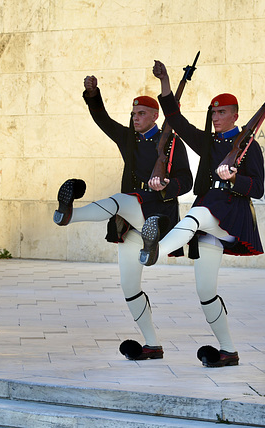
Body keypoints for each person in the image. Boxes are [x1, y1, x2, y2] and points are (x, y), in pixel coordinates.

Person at [54, 75, 193, 361]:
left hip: (156, 216)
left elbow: (187, 181)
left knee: (120, 200)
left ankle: (70, 215)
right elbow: (103, 120)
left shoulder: (171, 144)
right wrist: (92, 94)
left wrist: (167, 185)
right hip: (129, 223)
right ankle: (152, 345)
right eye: (133, 113)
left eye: (141, 113)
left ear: (155, 116)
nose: (135, 118)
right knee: (130, 287)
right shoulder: (128, 139)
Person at [139, 60, 265, 368]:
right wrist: (166, 81)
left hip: (231, 213)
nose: (216, 117)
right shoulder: (207, 144)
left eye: (222, 112)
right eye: (213, 112)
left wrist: (234, 178)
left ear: (235, 115)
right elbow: (175, 119)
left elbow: (258, 189)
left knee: (195, 217)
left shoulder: (249, 147)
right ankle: (228, 350)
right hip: (209, 215)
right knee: (205, 290)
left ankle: (155, 249)